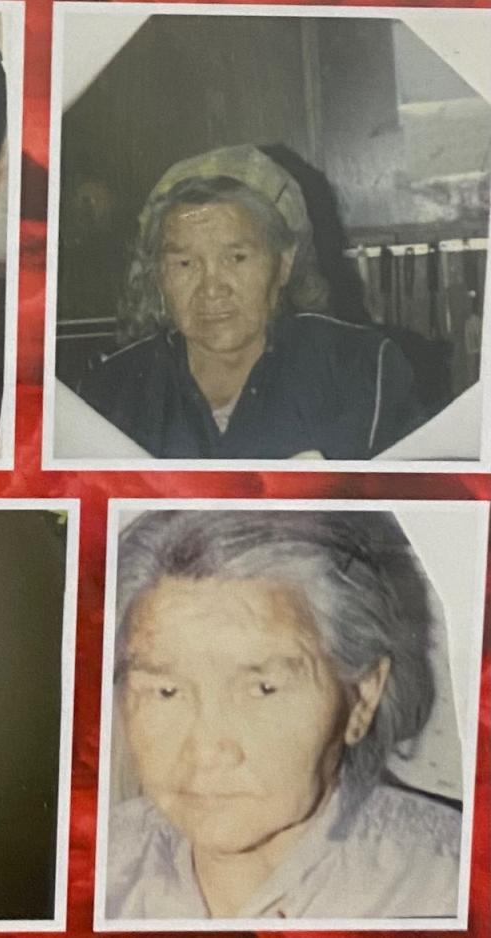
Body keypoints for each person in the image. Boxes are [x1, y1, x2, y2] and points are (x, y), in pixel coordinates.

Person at [105, 510, 461, 920]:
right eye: (167, 692)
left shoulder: (446, 889)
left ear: (362, 698)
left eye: (262, 689)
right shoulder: (99, 863)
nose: (205, 752)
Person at [79, 145, 426, 459]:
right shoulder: (109, 393)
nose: (211, 289)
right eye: (185, 264)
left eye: (237, 258)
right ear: (158, 274)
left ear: (284, 263)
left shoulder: (362, 371)